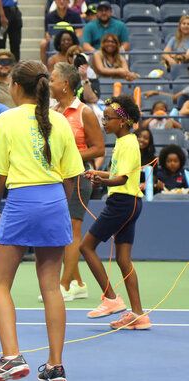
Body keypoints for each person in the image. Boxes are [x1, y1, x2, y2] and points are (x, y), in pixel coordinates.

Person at [0, 60, 84, 381]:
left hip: (22, 202)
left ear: (16, 88)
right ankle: (55, 366)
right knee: (51, 287)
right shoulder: (60, 121)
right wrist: (57, 207)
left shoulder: (6, 119)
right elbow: (72, 177)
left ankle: (11, 357)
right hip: (54, 202)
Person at [80, 96, 151, 330]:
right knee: (122, 259)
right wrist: (98, 174)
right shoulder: (123, 142)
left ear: (122, 121)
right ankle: (139, 315)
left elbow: (123, 178)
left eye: (108, 118)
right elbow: (117, 174)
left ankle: (111, 298)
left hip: (121, 202)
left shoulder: (129, 143)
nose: (104, 122)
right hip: (129, 203)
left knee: (86, 247)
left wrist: (103, 181)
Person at [45, 62, 104, 303]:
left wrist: (69, 155)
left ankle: (65, 284)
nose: (49, 83)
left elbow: (99, 148)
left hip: (78, 177)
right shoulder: (53, 112)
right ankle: (79, 283)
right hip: (55, 178)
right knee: (62, 231)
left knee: (72, 230)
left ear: (65, 84)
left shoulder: (85, 112)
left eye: (52, 79)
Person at [41, 0, 83, 65]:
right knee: (43, 44)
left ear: (68, 1)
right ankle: (45, 67)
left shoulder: (75, 15)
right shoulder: (49, 16)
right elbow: (48, 34)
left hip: (72, 41)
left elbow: (79, 33)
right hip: (56, 41)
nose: (61, 1)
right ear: (55, 1)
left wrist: (71, 41)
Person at [136, 127, 157, 193]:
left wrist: (146, 185)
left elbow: (152, 179)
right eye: (139, 136)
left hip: (144, 191)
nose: (142, 140)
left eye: (146, 138)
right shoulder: (124, 154)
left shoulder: (152, 159)